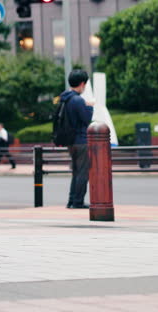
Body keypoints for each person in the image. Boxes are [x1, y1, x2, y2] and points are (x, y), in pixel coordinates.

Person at [60, 69, 95, 209]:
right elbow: (87, 119)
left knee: (76, 171)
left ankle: (71, 200)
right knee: (82, 172)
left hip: (70, 140)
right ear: (82, 83)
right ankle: (78, 201)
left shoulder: (65, 98)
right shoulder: (77, 100)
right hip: (81, 140)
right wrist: (90, 107)